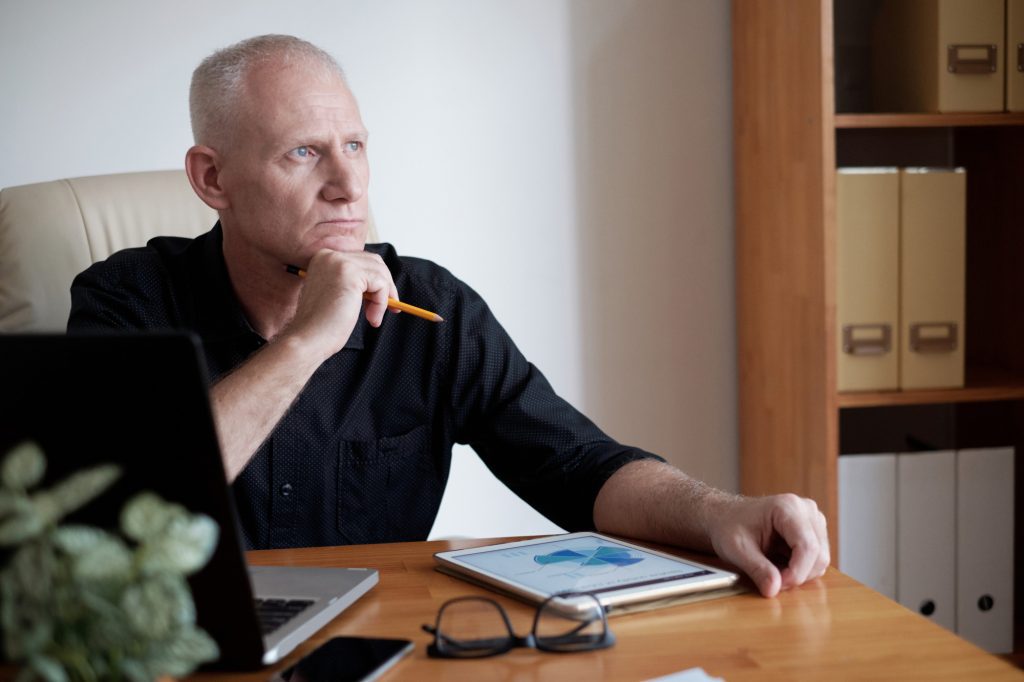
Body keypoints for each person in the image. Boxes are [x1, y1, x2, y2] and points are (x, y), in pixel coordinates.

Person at [67, 35, 828, 598]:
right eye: (302, 153)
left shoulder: (430, 306)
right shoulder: (124, 301)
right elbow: (124, 503)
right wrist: (308, 341)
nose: (346, 185)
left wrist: (723, 513)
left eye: (355, 146)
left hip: (379, 649)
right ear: (212, 178)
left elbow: (577, 467)